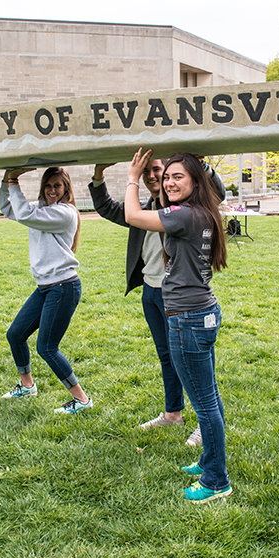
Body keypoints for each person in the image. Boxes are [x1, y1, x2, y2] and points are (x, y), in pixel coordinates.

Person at [88, 159, 224, 445]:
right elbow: (107, 207)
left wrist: (202, 167)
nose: (155, 176)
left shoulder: (182, 210)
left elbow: (217, 193)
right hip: (152, 291)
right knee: (168, 357)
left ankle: (206, 423)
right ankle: (173, 412)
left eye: (159, 170)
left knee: (195, 366)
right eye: (148, 171)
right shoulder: (148, 207)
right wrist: (99, 175)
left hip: (180, 296)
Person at [125, 150, 230, 504]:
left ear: (195, 181)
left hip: (189, 319)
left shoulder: (184, 215)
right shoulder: (201, 211)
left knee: (205, 405)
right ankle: (208, 462)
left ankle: (217, 480)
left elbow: (132, 215)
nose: (169, 182)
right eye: (166, 176)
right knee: (209, 398)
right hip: (202, 313)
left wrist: (132, 176)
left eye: (177, 177)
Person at [0, 166, 92, 414]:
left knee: (47, 348)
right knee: (15, 335)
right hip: (45, 287)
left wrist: (14, 180)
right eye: (48, 185)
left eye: (57, 186)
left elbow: (25, 214)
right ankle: (27, 386)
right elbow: (9, 208)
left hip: (63, 287)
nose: (52, 190)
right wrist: (6, 179)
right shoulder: (42, 209)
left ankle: (82, 399)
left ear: (66, 189)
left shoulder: (65, 212)